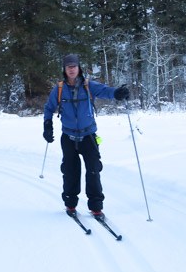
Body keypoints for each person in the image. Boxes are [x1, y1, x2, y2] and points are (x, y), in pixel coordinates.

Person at [43, 54, 129, 217]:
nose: (71, 69)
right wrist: (47, 125)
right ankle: (70, 204)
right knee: (70, 171)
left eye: (74, 66)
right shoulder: (59, 89)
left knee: (94, 170)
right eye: (68, 67)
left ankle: (96, 206)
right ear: (65, 69)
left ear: (79, 68)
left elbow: (106, 91)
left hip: (88, 135)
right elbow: (49, 108)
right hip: (68, 137)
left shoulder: (89, 85)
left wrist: (118, 93)